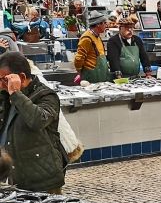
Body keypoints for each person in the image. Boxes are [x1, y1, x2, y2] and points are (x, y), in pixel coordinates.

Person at [0, 52, 65, 193]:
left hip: (43, 180)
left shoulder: (46, 95)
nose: (1, 85)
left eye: (4, 80)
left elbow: (38, 120)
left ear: (22, 77)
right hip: (15, 178)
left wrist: (16, 93)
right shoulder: (4, 96)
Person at [73, 12, 111, 83]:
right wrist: (80, 73)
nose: (106, 25)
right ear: (98, 24)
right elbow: (79, 58)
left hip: (101, 76)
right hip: (91, 77)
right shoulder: (87, 38)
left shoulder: (97, 36)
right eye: (104, 23)